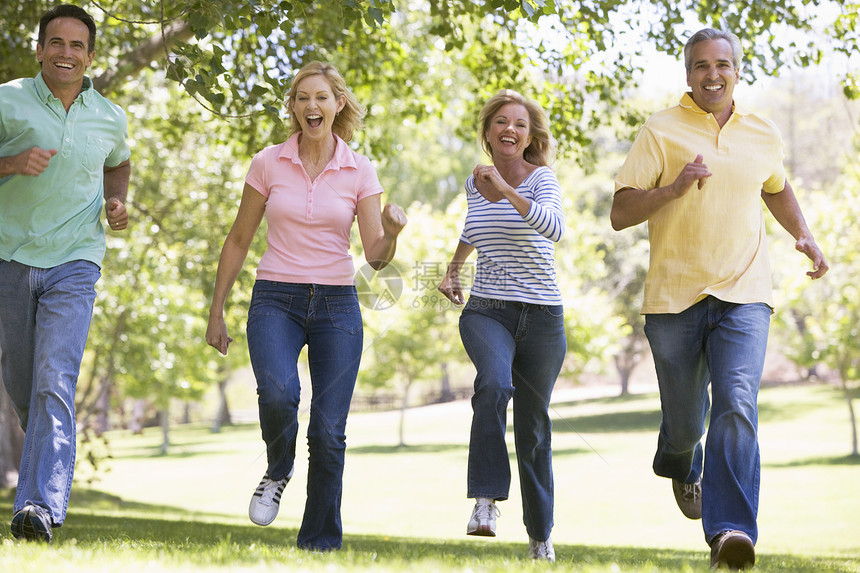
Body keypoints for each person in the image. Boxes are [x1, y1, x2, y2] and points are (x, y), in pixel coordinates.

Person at [611, 28, 828, 570]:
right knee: (685, 425)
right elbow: (621, 212)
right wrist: (673, 189)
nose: (713, 74)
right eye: (702, 66)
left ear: (737, 70)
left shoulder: (761, 132)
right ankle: (682, 464)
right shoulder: (660, 130)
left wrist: (803, 234)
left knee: (737, 402)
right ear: (688, 75)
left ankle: (730, 530)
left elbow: (776, 187)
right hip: (674, 298)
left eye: (723, 64)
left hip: (745, 292)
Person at [206, 61, 406, 551]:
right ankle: (277, 470)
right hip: (276, 296)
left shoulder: (360, 168)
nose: (310, 106)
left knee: (329, 431)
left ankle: (319, 542)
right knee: (277, 394)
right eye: (301, 98)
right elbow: (237, 238)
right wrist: (217, 311)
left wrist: (393, 233)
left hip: (337, 304)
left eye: (321, 97)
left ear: (339, 104)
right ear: (293, 108)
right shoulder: (268, 162)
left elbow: (376, 259)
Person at [0, 4, 131, 543]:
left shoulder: (110, 116)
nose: (67, 53)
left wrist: (117, 200)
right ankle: (38, 488)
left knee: (56, 378)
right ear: (39, 49)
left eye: (78, 46)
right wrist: (12, 162)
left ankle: (39, 509)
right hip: (11, 257)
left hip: (76, 262)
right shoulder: (7, 99)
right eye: (57, 42)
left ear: (90, 56)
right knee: (25, 387)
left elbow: (118, 161)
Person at [438, 89, 566, 562]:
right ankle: (486, 500)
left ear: (529, 137)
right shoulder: (476, 183)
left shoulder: (542, 179)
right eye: (501, 123)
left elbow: (554, 228)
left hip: (543, 318)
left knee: (532, 428)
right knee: (493, 384)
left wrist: (506, 191)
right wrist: (453, 267)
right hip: (487, 309)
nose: (510, 130)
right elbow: (476, 225)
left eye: (520, 124)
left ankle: (540, 535)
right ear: (488, 133)